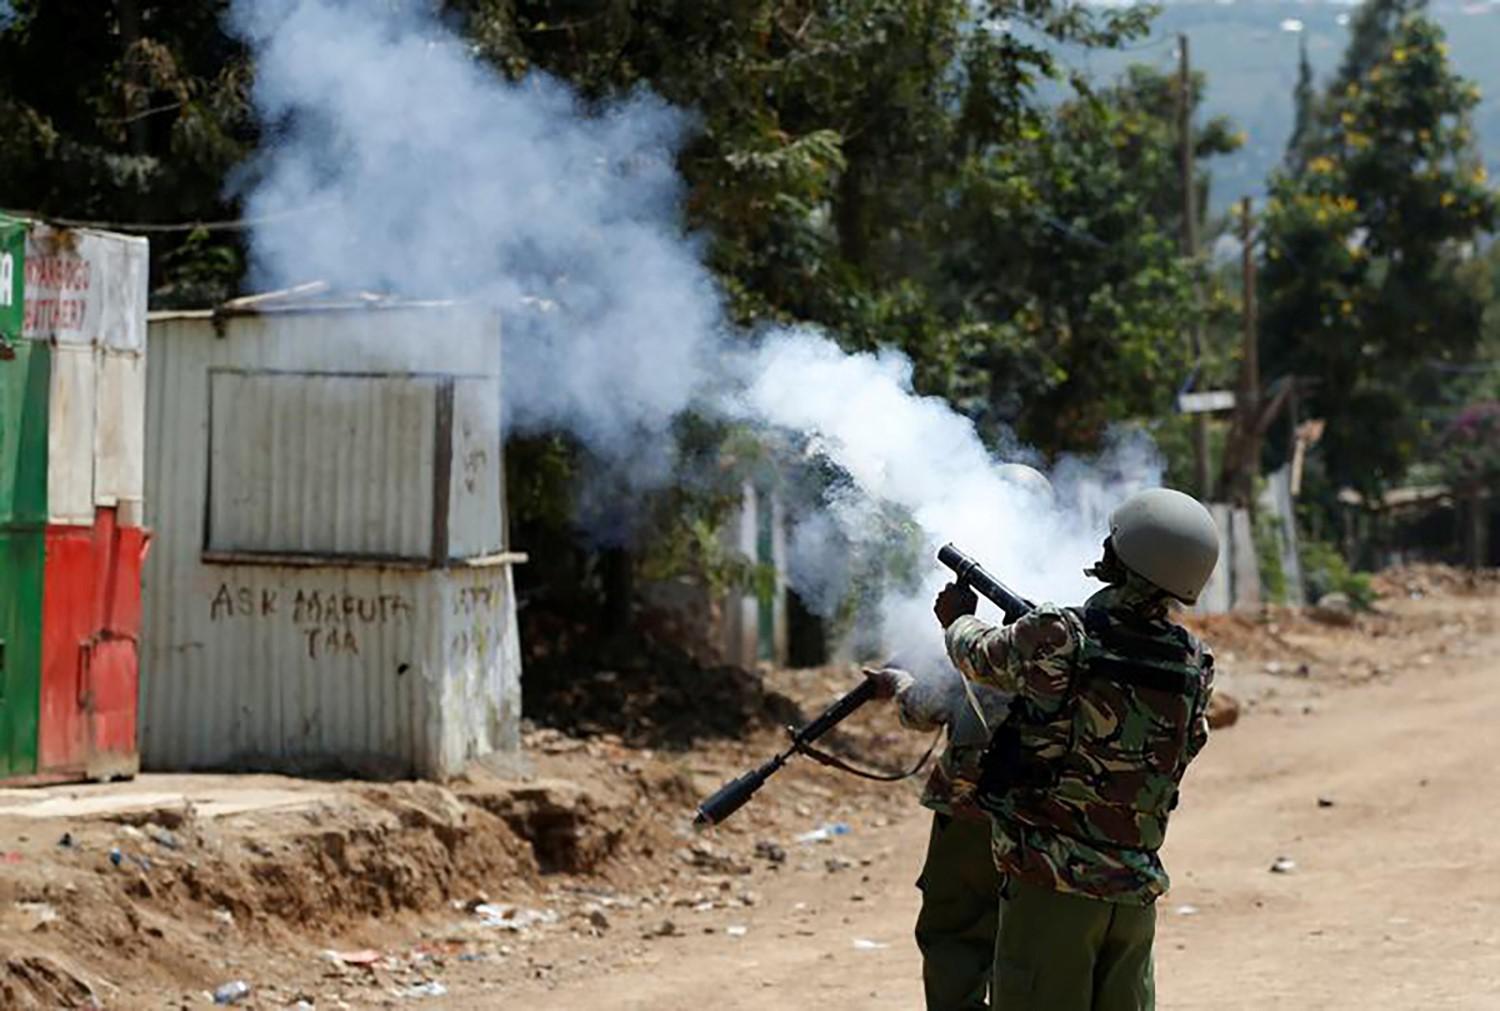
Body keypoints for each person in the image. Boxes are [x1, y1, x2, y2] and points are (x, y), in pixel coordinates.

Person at [934, 487, 1219, 1011]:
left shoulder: (1061, 633)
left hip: (1053, 885)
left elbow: (977, 655)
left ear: (1124, 557)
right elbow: (1187, 744)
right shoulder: (1193, 661)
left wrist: (957, 618)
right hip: (1132, 890)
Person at [864, 462, 1055, 1010]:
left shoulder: (978, 627)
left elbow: (925, 708)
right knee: (1037, 942)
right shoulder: (1069, 606)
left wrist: (898, 683)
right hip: (1051, 810)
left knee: (957, 934)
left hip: (975, 805)